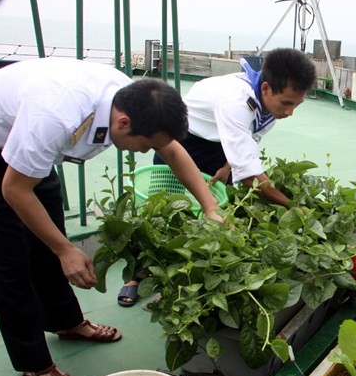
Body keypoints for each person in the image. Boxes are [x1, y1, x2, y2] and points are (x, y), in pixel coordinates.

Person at [0, 57, 222, 376]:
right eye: (147, 145)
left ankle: (66, 323)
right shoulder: (54, 115)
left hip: (29, 142)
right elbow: (14, 189)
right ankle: (35, 366)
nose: (148, 152)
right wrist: (66, 250)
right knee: (9, 262)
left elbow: (172, 150)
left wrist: (210, 206)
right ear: (123, 123)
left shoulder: (129, 99)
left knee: (49, 237)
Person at [118, 48, 317, 306]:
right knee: (163, 209)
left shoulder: (269, 106)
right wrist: (292, 206)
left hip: (216, 143)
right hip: (183, 142)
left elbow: (249, 138)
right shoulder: (236, 101)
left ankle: (191, 276)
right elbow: (251, 175)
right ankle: (136, 276)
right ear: (266, 88)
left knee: (218, 210)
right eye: (287, 104)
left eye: (296, 105)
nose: (290, 112)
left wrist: (227, 166)